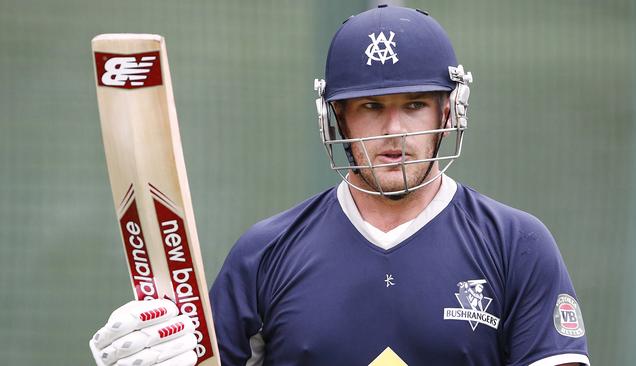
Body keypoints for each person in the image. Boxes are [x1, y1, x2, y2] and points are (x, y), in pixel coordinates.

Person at [91, 5, 589, 366]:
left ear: (448, 109)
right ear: (337, 120)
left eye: (415, 103)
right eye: (371, 107)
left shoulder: (516, 244)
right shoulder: (266, 252)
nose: (396, 132)